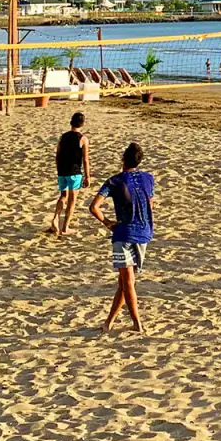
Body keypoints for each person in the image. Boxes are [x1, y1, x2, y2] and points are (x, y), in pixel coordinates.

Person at [88, 141, 154, 334]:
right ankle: (109, 322)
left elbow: (94, 207)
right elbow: (150, 204)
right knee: (125, 281)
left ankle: (137, 323)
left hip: (123, 234)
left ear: (123, 158)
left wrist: (107, 222)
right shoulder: (148, 179)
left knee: (127, 282)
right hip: (144, 233)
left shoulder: (114, 181)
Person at [49, 111, 90, 236]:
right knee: (72, 200)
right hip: (75, 171)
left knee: (63, 196)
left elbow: (58, 155)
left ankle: (56, 218)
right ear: (82, 124)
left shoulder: (63, 136)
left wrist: (58, 169)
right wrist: (87, 176)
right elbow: (85, 159)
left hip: (62, 170)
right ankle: (65, 227)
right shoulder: (83, 138)